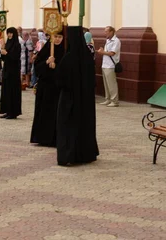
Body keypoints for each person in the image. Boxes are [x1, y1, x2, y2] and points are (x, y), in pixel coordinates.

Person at [55, 26, 100, 165]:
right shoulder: (87, 57)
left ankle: (68, 155)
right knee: (84, 125)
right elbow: (93, 81)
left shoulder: (68, 58)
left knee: (68, 126)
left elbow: (60, 81)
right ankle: (85, 153)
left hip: (69, 100)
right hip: (85, 100)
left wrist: (54, 67)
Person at [30, 31, 65, 147]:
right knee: (44, 112)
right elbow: (37, 68)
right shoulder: (46, 50)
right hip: (45, 88)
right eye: (56, 37)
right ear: (51, 37)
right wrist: (46, 62)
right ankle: (43, 137)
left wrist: (57, 66)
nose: (58, 39)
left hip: (57, 88)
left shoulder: (65, 52)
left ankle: (55, 138)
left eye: (60, 37)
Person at [0, 27, 22, 119]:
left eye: (11, 33)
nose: (9, 35)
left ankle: (13, 112)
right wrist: (2, 53)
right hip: (7, 70)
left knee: (12, 91)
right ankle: (7, 110)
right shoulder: (7, 43)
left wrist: (6, 54)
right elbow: (4, 58)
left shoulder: (17, 45)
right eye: (8, 33)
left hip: (13, 72)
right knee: (6, 91)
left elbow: (15, 57)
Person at [97, 26, 121, 107]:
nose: (105, 33)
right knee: (106, 84)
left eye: (106, 31)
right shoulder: (108, 40)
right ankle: (108, 99)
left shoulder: (116, 41)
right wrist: (102, 51)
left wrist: (102, 52)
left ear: (111, 32)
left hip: (111, 65)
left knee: (112, 84)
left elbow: (112, 53)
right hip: (105, 64)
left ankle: (114, 101)